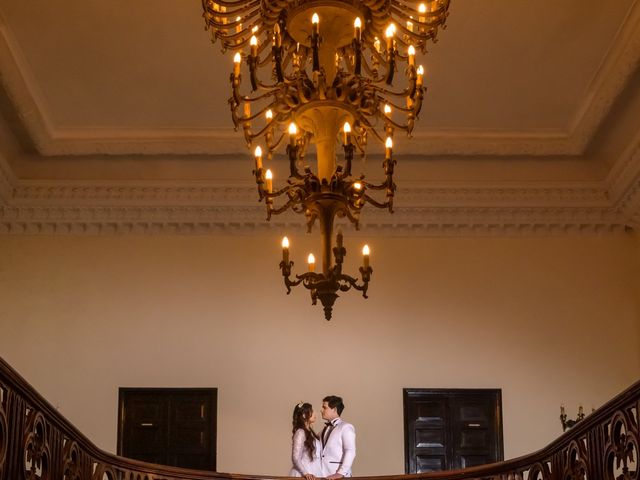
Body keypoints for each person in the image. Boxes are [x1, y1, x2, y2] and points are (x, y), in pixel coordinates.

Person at [320, 395, 356, 478]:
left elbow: (350, 451)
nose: (321, 410)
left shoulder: (346, 427)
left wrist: (341, 473)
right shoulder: (322, 431)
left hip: (339, 476)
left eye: (324, 407)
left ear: (334, 409)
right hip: (323, 475)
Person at [290, 402, 322, 479]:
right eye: (312, 411)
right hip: (305, 472)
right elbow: (295, 457)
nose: (315, 413)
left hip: (314, 470)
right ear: (304, 415)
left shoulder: (310, 432)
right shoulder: (300, 432)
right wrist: (305, 473)